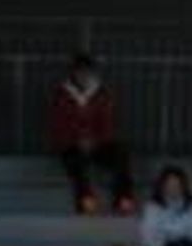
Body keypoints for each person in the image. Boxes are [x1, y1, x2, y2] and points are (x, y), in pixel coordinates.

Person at [49, 53, 135, 215]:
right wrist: (77, 141)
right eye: (79, 71)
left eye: (87, 72)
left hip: (98, 144)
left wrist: (95, 141)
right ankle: (86, 201)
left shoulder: (101, 94)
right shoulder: (62, 95)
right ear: (73, 73)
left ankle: (123, 199)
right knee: (75, 164)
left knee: (121, 155)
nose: (83, 75)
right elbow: (58, 125)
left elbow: (108, 122)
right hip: (71, 145)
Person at [140, 165, 192, 246]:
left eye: (177, 185)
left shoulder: (190, 207)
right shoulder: (152, 208)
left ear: (183, 186)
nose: (173, 188)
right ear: (162, 186)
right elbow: (148, 237)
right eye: (170, 184)